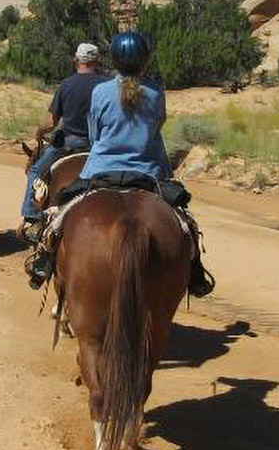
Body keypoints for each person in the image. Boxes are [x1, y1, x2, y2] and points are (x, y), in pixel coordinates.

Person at [24, 32, 215, 297]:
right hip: (149, 171)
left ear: (114, 60)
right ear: (144, 61)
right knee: (185, 222)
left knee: (59, 216)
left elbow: (94, 136)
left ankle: (43, 261)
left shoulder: (101, 92)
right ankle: (195, 273)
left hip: (101, 169)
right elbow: (157, 125)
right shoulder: (156, 93)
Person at [19, 42, 106, 230]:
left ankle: (31, 216)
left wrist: (39, 133)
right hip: (101, 145)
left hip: (70, 142)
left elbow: (50, 123)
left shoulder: (67, 85)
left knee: (35, 170)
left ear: (77, 60)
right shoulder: (107, 85)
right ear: (96, 61)